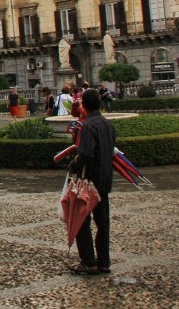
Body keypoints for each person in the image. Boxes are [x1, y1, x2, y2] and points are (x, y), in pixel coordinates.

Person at [68, 89, 116, 275]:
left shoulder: (88, 126)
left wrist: (74, 163)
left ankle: (88, 261)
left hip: (90, 181)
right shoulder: (107, 124)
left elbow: (86, 153)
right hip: (105, 178)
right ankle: (104, 261)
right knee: (103, 222)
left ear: (84, 106)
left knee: (82, 220)